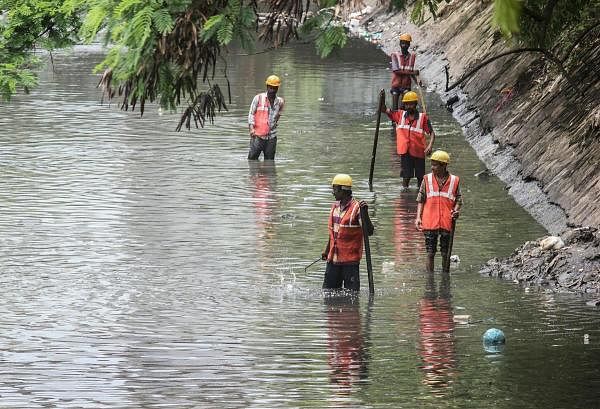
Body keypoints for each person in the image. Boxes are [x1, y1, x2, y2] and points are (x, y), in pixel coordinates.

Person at [322, 174, 374, 291]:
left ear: (343, 190)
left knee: (352, 297)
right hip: (333, 260)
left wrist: (365, 214)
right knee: (328, 294)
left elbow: (369, 232)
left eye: (335, 189)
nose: (333, 192)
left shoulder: (357, 208)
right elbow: (333, 234)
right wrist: (326, 251)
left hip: (350, 263)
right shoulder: (335, 207)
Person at [415, 151, 462, 273]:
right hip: (430, 220)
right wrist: (418, 218)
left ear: (444, 165)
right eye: (432, 164)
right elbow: (421, 199)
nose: (432, 167)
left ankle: (445, 277)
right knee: (430, 252)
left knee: (445, 253)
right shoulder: (426, 179)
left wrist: (456, 211)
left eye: (435, 165)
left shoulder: (454, 181)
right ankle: (430, 280)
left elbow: (459, 200)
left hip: (447, 221)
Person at [382, 91, 435, 190]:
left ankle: (420, 196)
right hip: (405, 152)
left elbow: (432, 133)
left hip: (419, 152)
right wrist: (382, 100)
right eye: (407, 104)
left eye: (411, 104)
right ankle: (405, 197)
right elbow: (384, 110)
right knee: (406, 178)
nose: (409, 106)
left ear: (415, 104)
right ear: (404, 105)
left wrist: (430, 146)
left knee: (420, 178)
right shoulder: (399, 115)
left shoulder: (423, 118)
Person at [247, 75, 285, 160]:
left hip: (272, 137)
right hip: (257, 136)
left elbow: (277, 117)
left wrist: (272, 126)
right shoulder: (258, 98)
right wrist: (251, 128)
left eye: (274, 88)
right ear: (267, 87)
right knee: (252, 160)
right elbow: (251, 114)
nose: (272, 90)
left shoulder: (280, 102)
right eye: (270, 87)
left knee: (270, 161)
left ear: (277, 88)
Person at [390, 33, 421, 111]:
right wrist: (413, 73)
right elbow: (396, 71)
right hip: (396, 85)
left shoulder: (412, 57)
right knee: (395, 109)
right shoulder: (394, 55)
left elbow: (410, 71)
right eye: (403, 43)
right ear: (400, 44)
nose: (404, 46)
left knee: (403, 107)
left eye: (406, 44)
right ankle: (394, 122)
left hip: (406, 85)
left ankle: (403, 121)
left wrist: (417, 81)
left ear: (409, 45)